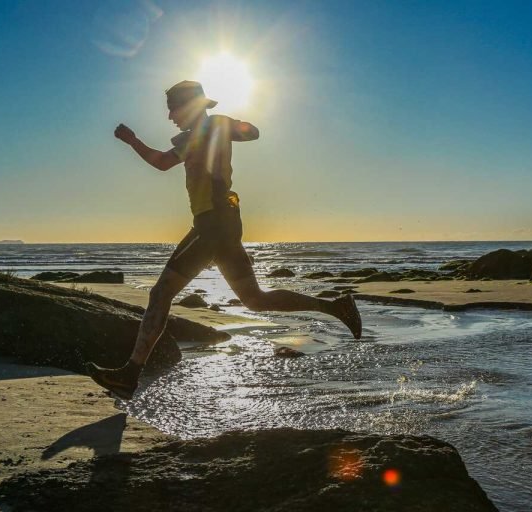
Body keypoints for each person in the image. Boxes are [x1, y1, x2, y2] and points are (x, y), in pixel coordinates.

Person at [87, 80, 362, 400]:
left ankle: (131, 374)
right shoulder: (194, 138)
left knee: (161, 293)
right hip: (226, 226)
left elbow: (248, 133)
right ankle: (336, 307)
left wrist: (139, 139)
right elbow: (169, 160)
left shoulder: (209, 129)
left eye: (173, 109)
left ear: (189, 106)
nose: (170, 117)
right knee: (254, 299)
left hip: (211, 226)